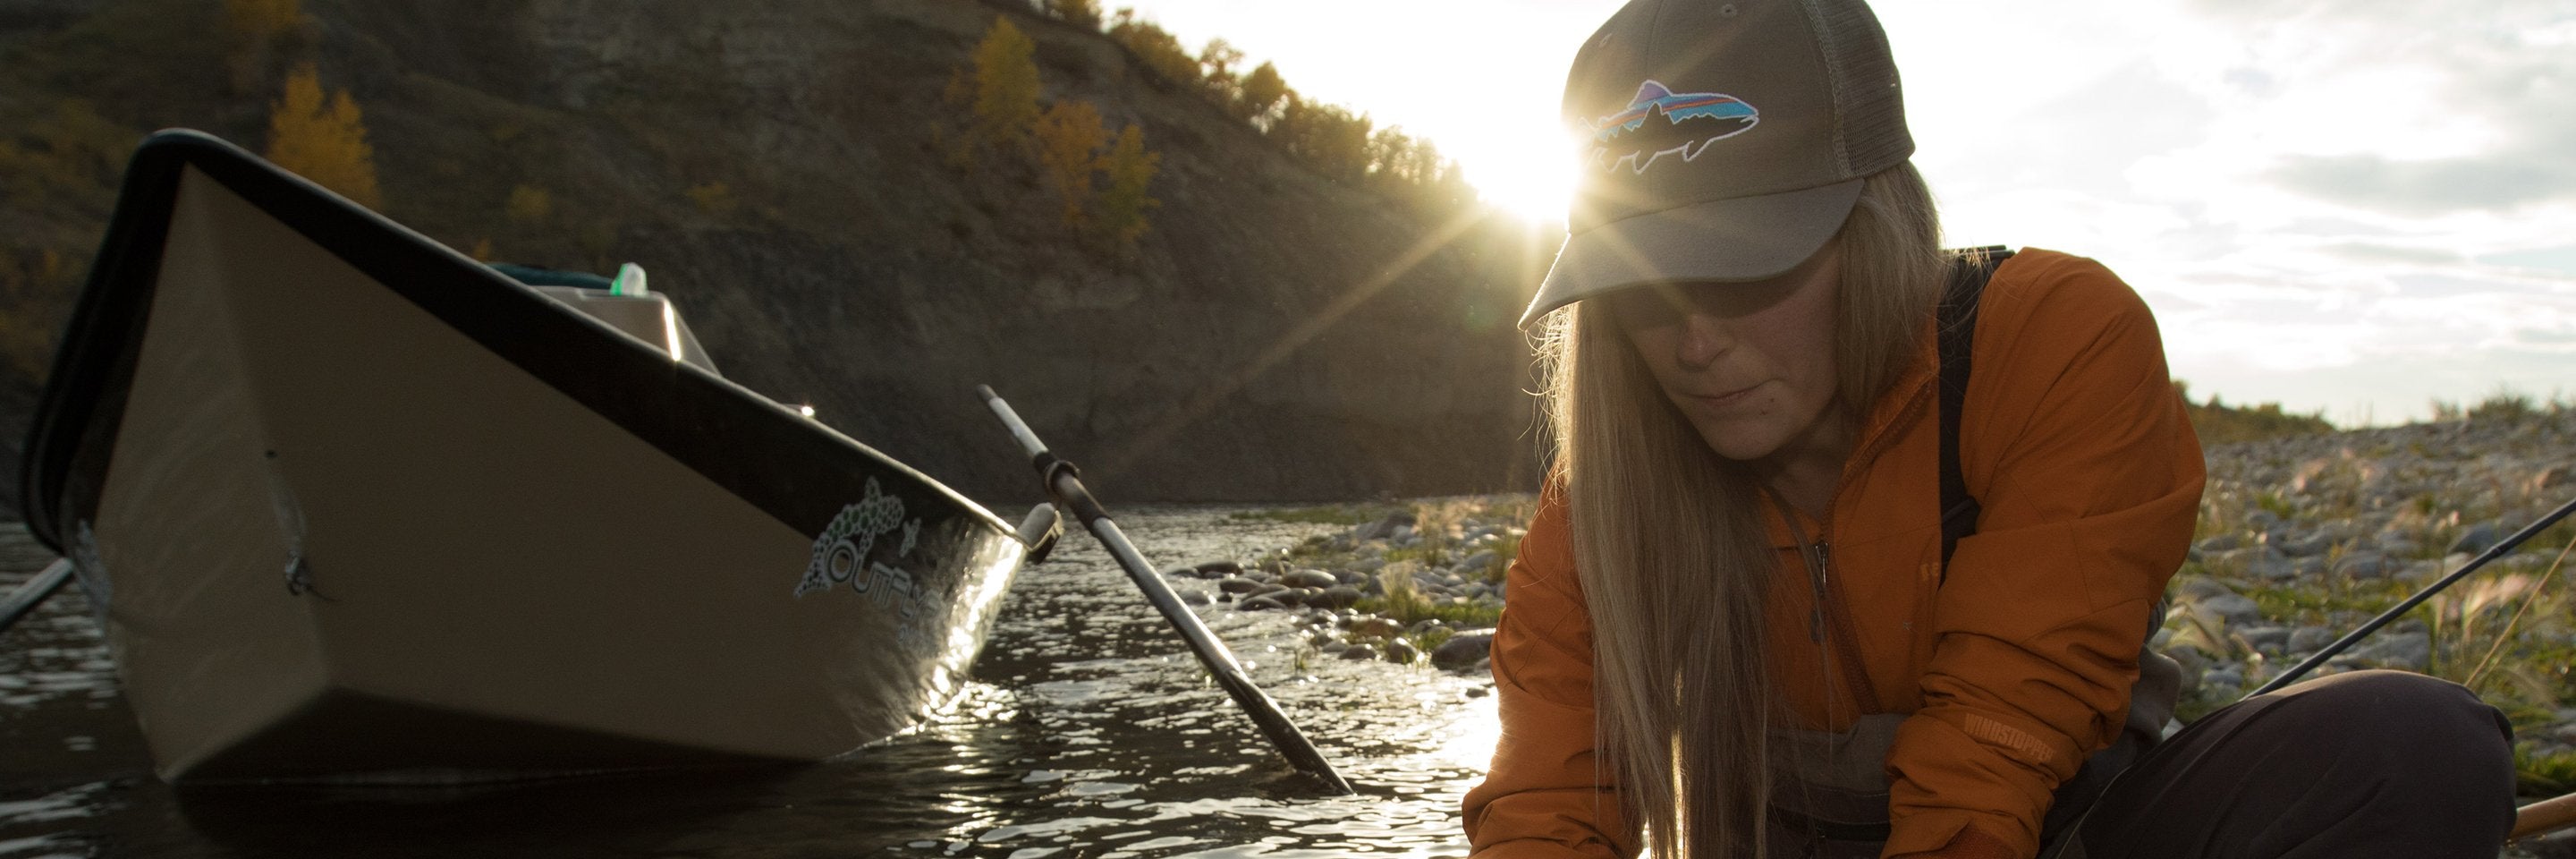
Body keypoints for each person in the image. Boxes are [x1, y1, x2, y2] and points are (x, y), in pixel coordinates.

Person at [1459, 1, 2519, 857]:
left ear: (1875, 226)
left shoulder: (2054, 340)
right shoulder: (1605, 495)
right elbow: (1549, 796)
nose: (1691, 344)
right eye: (1641, 286)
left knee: (2412, 745)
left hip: (2060, 830)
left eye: (1745, 265)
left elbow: (1993, 750)